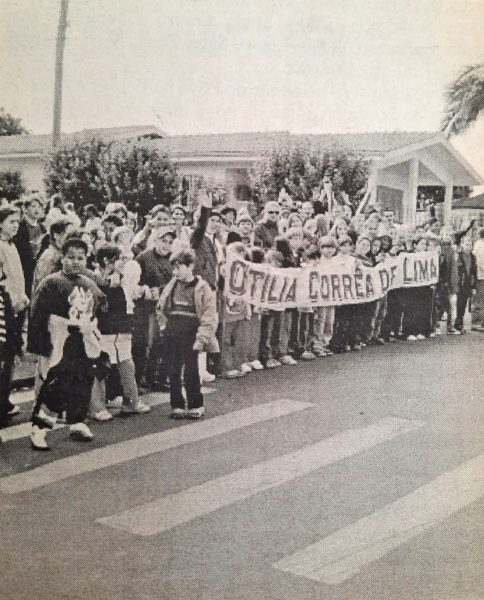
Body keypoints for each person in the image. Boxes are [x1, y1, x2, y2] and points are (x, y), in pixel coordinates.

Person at [28, 237, 106, 450]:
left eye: (80, 258)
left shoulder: (89, 282)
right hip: (59, 339)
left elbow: (99, 306)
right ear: (62, 257)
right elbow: (37, 315)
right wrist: (40, 344)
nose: (75, 261)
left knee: (83, 381)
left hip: (83, 340)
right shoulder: (51, 283)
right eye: (70, 257)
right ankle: (40, 427)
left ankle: (77, 420)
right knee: (57, 385)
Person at [157, 248, 219, 419]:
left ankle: (195, 404)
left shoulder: (203, 288)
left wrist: (202, 338)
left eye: (179, 268)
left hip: (191, 331)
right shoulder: (172, 284)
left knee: (191, 369)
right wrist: (164, 326)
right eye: (173, 268)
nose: (175, 272)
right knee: (173, 369)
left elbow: (209, 316)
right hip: (173, 330)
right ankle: (176, 404)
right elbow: (162, 306)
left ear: (191, 266)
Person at [91, 244, 151, 420]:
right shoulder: (97, 279)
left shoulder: (121, 278)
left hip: (121, 328)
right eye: (119, 259)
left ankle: (130, 401)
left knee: (126, 363)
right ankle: (97, 407)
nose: (124, 262)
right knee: (100, 366)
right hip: (104, 329)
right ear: (106, 261)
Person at [133, 226, 175, 390]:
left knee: (161, 343)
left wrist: (161, 290)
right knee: (145, 344)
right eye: (163, 241)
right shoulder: (144, 257)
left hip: (164, 309)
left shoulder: (172, 259)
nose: (166, 245)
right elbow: (134, 280)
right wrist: (145, 289)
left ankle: (156, 379)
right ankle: (139, 380)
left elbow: (175, 282)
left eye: (170, 242)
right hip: (146, 309)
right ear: (155, 240)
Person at [0, 259, 23, 430]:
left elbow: (11, 323)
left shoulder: (4, 295)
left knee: (4, 381)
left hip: (5, 348)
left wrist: (15, 348)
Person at [14, 195, 46, 298]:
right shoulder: (20, 227)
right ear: (25, 209)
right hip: (24, 268)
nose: (36, 210)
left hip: (39, 268)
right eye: (33, 206)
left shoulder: (42, 228)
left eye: (39, 207)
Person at [454, 236, 476, 333]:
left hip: (468, 283)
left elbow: (473, 272)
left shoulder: (473, 257)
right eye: (466, 244)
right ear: (462, 245)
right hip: (460, 282)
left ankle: (460, 323)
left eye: (470, 245)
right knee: (460, 303)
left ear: (472, 246)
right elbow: (456, 270)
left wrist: (473, 286)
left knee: (464, 304)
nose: (468, 246)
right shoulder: (458, 255)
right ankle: (457, 323)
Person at [472, 227, 484, 331]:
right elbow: (481, 262)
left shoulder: (478, 244)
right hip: (481, 276)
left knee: (480, 299)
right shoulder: (481, 246)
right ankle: (477, 322)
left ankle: (480, 321)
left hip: (480, 275)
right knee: (479, 299)